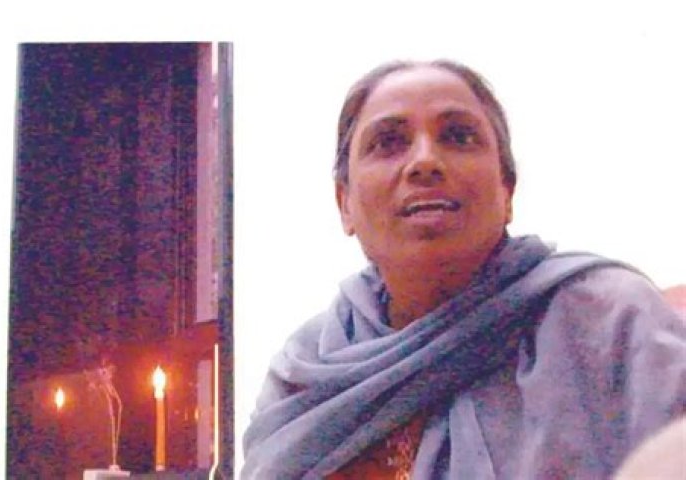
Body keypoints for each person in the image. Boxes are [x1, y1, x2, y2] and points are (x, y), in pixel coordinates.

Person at [241, 60, 686, 479]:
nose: (424, 162)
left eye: (458, 136)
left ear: (507, 191)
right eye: (388, 142)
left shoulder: (609, 324)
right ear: (345, 205)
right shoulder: (306, 374)